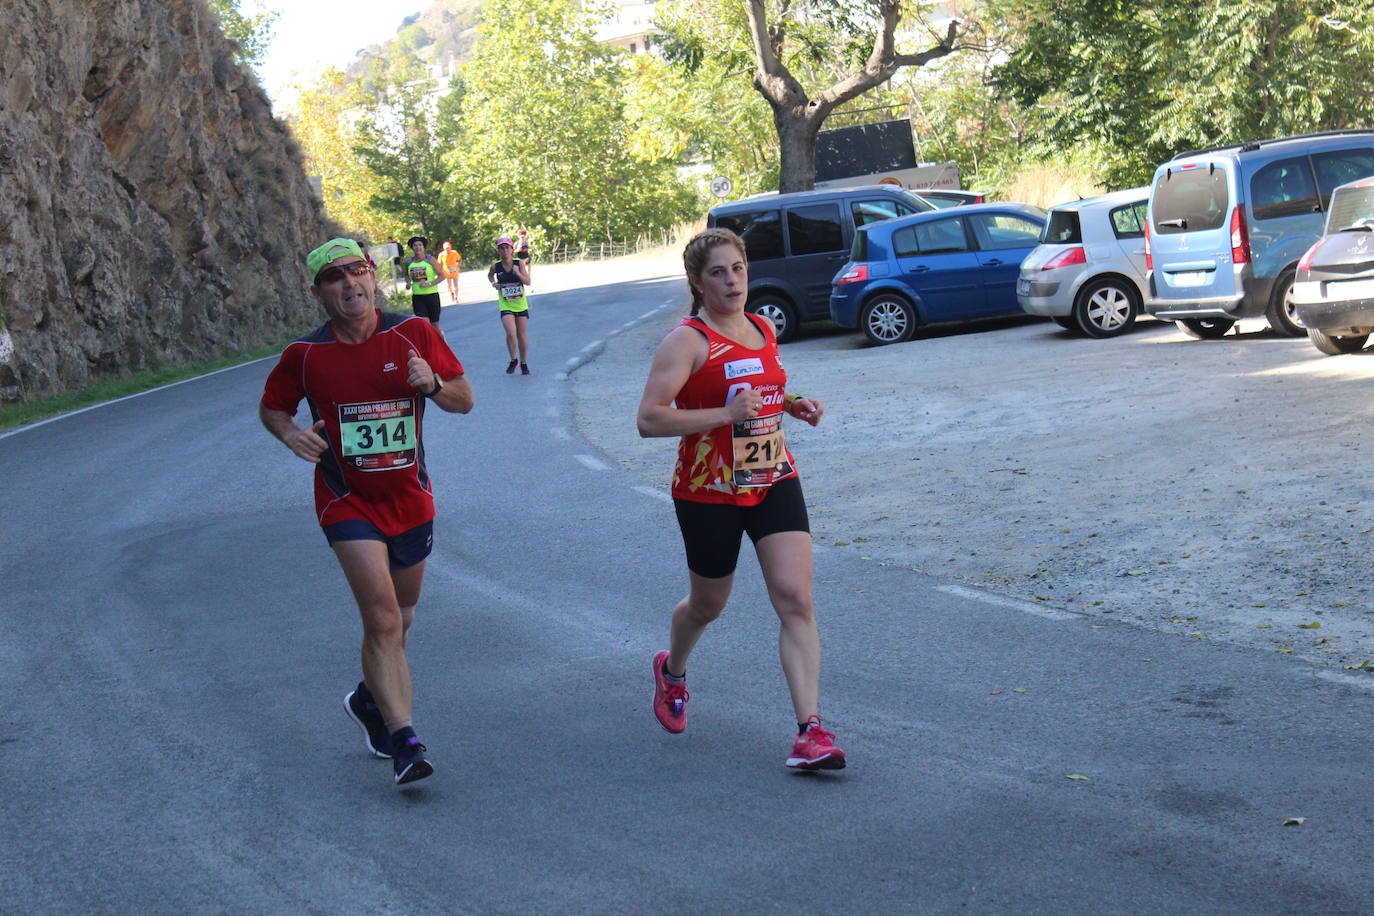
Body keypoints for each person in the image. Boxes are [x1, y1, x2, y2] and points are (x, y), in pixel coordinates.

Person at [259, 237, 475, 787]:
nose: (349, 284)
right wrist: (290, 436)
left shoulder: (414, 333)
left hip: (409, 497)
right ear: (317, 292)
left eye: (356, 272)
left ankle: (368, 697)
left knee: (401, 619)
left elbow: (464, 398)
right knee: (380, 618)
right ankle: (405, 740)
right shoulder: (304, 356)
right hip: (345, 499)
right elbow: (272, 407)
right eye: (334, 278)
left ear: (372, 276)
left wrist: (433, 384)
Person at [635, 227, 845, 771]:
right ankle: (673, 670)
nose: (732, 281)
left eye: (738, 269)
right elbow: (649, 418)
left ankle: (811, 731)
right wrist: (724, 417)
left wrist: (793, 403)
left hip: (772, 476)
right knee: (709, 604)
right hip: (709, 490)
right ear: (698, 283)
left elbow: (763, 386)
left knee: (795, 597)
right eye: (718, 273)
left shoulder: (761, 326)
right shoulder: (686, 341)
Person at [486, 237, 532, 375]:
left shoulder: (519, 263)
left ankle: (523, 362)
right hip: (506, 305)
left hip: (521, 305)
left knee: (521, 335)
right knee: (511, 333)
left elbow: (528, 282)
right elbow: (489, 276)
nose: (505, 251)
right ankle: (513, 359)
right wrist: (494, 284)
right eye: (502, 248)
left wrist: (518, 273)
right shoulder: (496, 266)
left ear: (512, 250)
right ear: (499, 251)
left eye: (507, 248)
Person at [404, 236, 444, 328]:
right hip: (418, 297)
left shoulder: (430, 260)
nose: (418, 247)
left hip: (432, 296)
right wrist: (408, 283)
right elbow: (406, 275)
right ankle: (429, 342)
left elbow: (442, 275)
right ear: (412, 248)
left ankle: (441, 341)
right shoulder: (409, 262)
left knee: (434, 325)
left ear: (423, 247)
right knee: (424, 324)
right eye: (415, 245)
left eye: (420, 245)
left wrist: (429, 284)